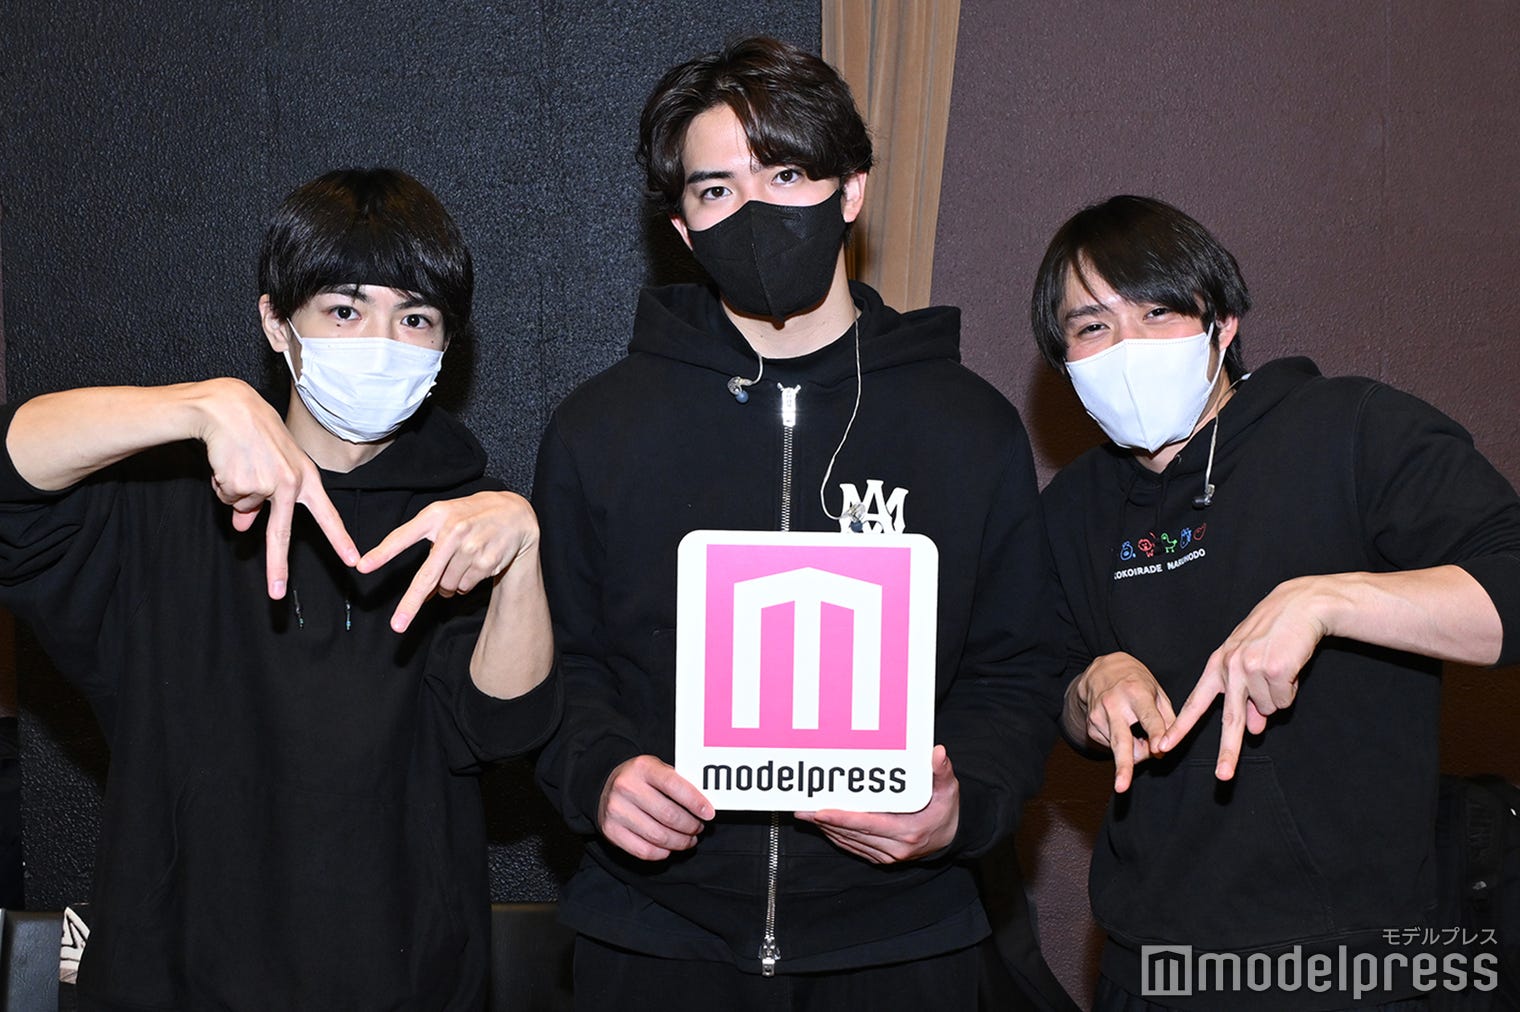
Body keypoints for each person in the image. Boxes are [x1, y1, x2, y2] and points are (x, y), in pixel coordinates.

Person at [531, 36, 1067, 1012]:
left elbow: (1015, 667)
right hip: (654, 939)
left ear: (849, 190)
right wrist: (597, 772)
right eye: (716, 189)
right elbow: (560, 658)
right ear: (682, 227)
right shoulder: (598, 429)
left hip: (904, 941)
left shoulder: (965, 426)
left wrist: (968, 801)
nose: (754, 208)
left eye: (784, 174)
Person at [0, 167, 560, 1010]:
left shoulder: (462, 523)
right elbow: (13, 487)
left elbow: (504, 730)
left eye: (415, 318)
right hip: (174, 977)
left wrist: (522, 552)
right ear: (275, 321)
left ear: (449, 345)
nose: (381, 341)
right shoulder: (161, 500)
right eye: (345, 310)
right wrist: (197, 406)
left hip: (403, 981)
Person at [1032, 194, 1520, 1010]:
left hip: (1348, 965)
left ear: (1221, 323)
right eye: (1092, 326)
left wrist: (1327, 601)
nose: (1126, 347)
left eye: (1157, 312)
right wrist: (1091, 686)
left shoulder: (1352, 430)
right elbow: (1044, 683)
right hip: (1147, 962)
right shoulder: (1068, 509)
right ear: (1065, 360)